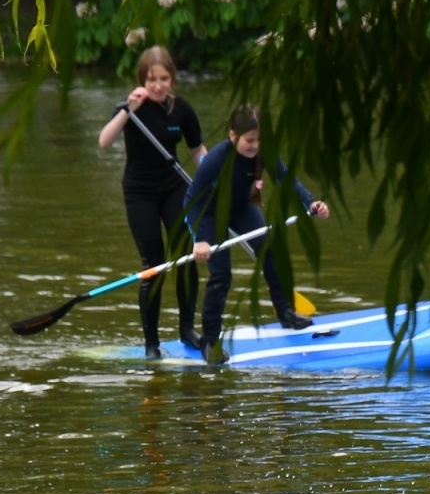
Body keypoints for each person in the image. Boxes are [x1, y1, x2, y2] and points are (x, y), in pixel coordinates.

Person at [184, 105, 330, 361]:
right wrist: (201, 240)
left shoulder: (264, 154)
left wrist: (311, 203)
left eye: (260, 140)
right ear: (233, 136)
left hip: (240, 208)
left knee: (270, 248)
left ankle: (285, 312)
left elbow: (287, 180)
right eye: (250, 140)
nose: (255, 145)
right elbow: (192, 201)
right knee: (221, 274)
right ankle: (210, 341)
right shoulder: (217, 159)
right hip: (208, 215)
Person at [97, 46, 206, 358]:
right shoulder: (131, 109)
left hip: (174, 190)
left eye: (164, 78)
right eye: (151, 79)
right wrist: (127, 110)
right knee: (154, 265)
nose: (158, 86)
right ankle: (152, 344)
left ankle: (187, 329)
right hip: (139, 193)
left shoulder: (181, 110)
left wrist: (213, 178)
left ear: (172, 78)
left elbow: (198, 151)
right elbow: (104, 142)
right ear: (142, 80)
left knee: (185, 256)